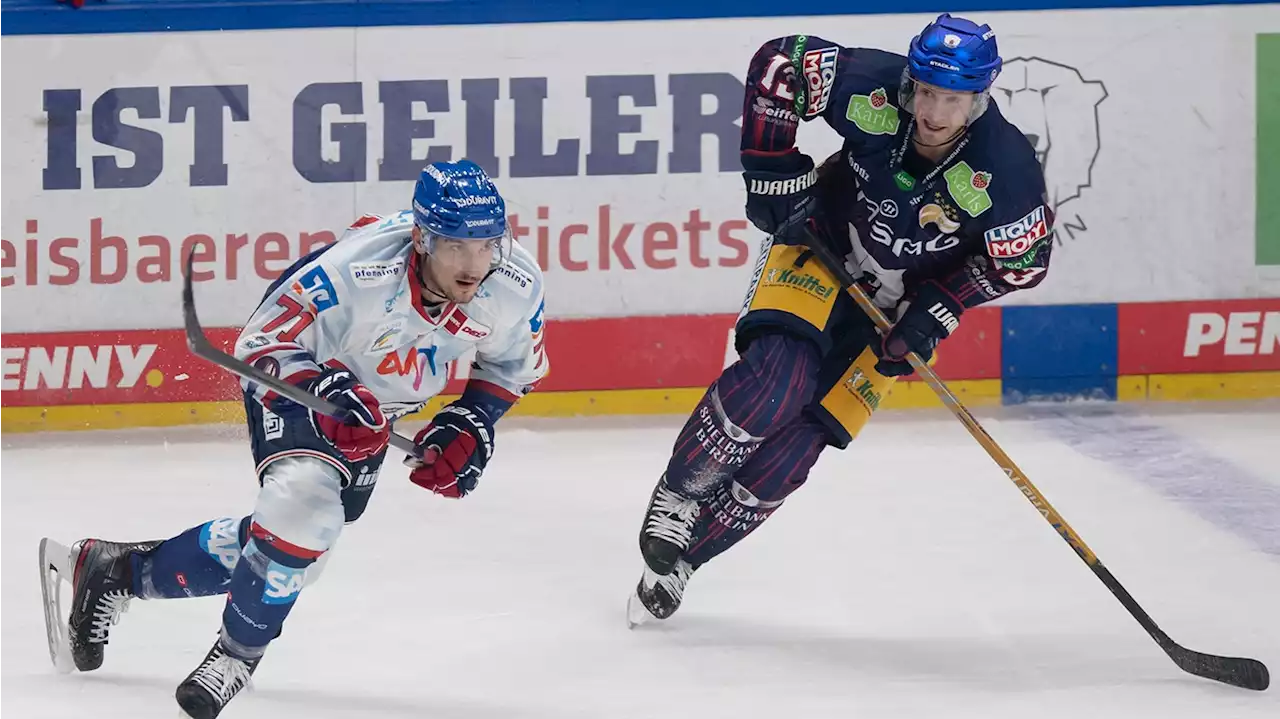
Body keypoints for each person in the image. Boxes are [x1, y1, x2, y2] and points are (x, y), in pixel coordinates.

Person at [39, 160, 549, 718]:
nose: (475, 264)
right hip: (307, 384)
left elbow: (508, 367)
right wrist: (320, 385)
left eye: (486, 245)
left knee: (296, 555)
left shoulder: (513, 283)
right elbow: (261, 343)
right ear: (422, 239)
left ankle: (115, 571)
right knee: (304, 512)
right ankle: (235, 656)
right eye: (456, 246)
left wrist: (471, 422)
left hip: (377, 410)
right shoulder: (354, 271)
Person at [628, 14, 1055, 625]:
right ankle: (679, 494)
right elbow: (780, 66)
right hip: (821, 248)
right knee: (777, 384)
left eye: (952, 99)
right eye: (926, 91)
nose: (933, 112)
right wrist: (771, 167)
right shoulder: (873, 87)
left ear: (979, 98)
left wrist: (942, 307)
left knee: (795, 451)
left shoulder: (1005, 170)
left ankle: (684, 562)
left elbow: (1025, 262)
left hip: (896, 313)